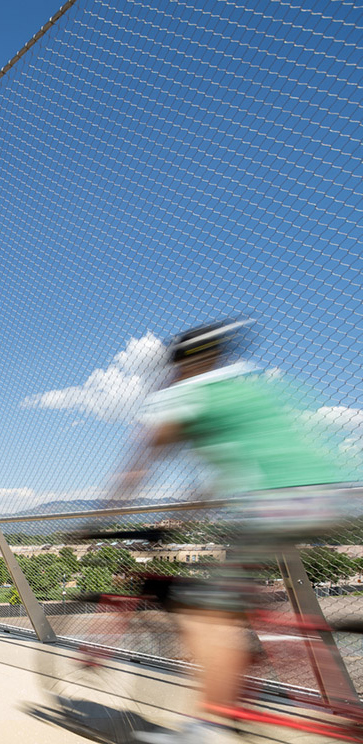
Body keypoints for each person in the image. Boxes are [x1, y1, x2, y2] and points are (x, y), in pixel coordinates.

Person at [103, 319, 346, 744]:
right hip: (333, 493)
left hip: (279, 501)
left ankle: (209, 729)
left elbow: (139, 465)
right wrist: (180, 517)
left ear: (184, 364)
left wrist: (97, 520)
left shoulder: (186, 393)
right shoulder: (250, 386)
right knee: (236, 603)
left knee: (206, 613)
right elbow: (219, 477)